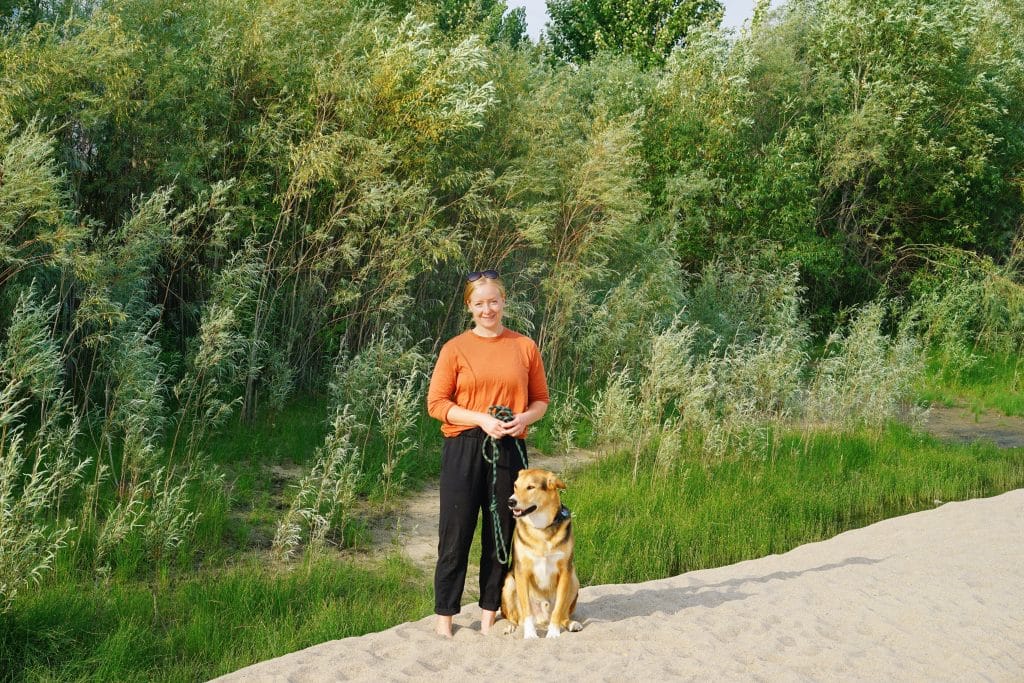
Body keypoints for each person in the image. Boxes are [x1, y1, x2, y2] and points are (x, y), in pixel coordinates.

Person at [426, 269, 550, 637]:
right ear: (469, 306)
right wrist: (481, 418)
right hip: (464, 447)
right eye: (480, 303)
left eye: (493, 301)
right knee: (456, 532)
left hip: (509, 448)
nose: (487, 309)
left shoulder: (524, 346)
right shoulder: (455, 348)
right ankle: (445, 616)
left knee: (501, 534)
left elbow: (541, 400)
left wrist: (523, 418)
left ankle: (488, 611)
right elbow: (437, 404)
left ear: (504, 302)